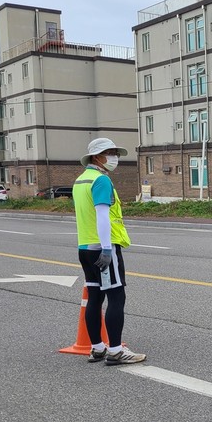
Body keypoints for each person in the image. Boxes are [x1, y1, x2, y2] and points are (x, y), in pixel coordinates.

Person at [74, 138, 146, 366]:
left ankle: (97, 348)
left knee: (95, 297)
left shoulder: (80, 180)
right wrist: (106, 248)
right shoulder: (101, 180)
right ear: (97, 157)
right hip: (104, 248)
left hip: (84, 247)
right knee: (117, 296)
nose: (114, 157)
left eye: (115, 152)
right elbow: (102, 215)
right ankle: (115, 350)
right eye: (110, 153)